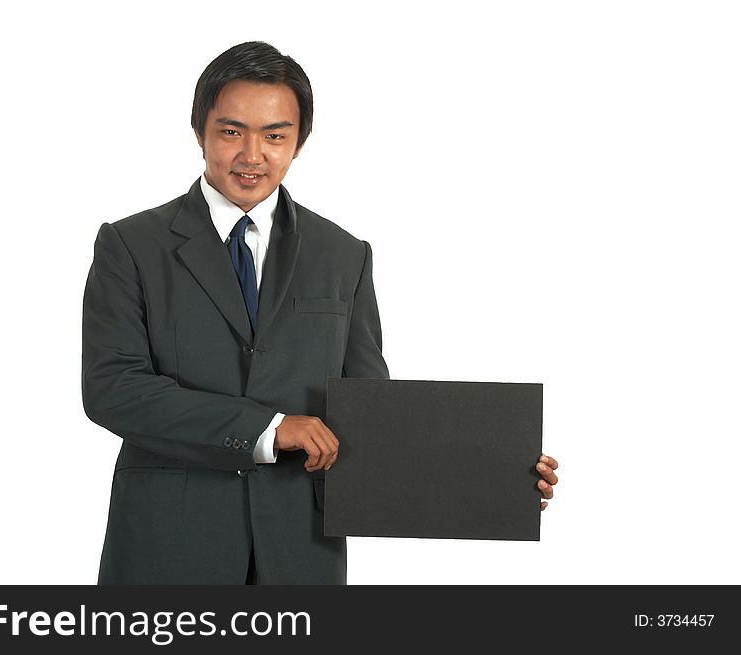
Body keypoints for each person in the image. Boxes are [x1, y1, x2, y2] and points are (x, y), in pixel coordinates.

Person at [81, 41, 559, 584]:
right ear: (199, 131)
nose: (252, 155)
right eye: (232, 131)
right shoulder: (130, 245)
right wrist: (269, 427)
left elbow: (372, 416)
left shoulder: (343, 254)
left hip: (300, 555)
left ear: (299, 143)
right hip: (167, 549)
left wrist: (495, 479)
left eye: (275, 136)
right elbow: (113, 389)